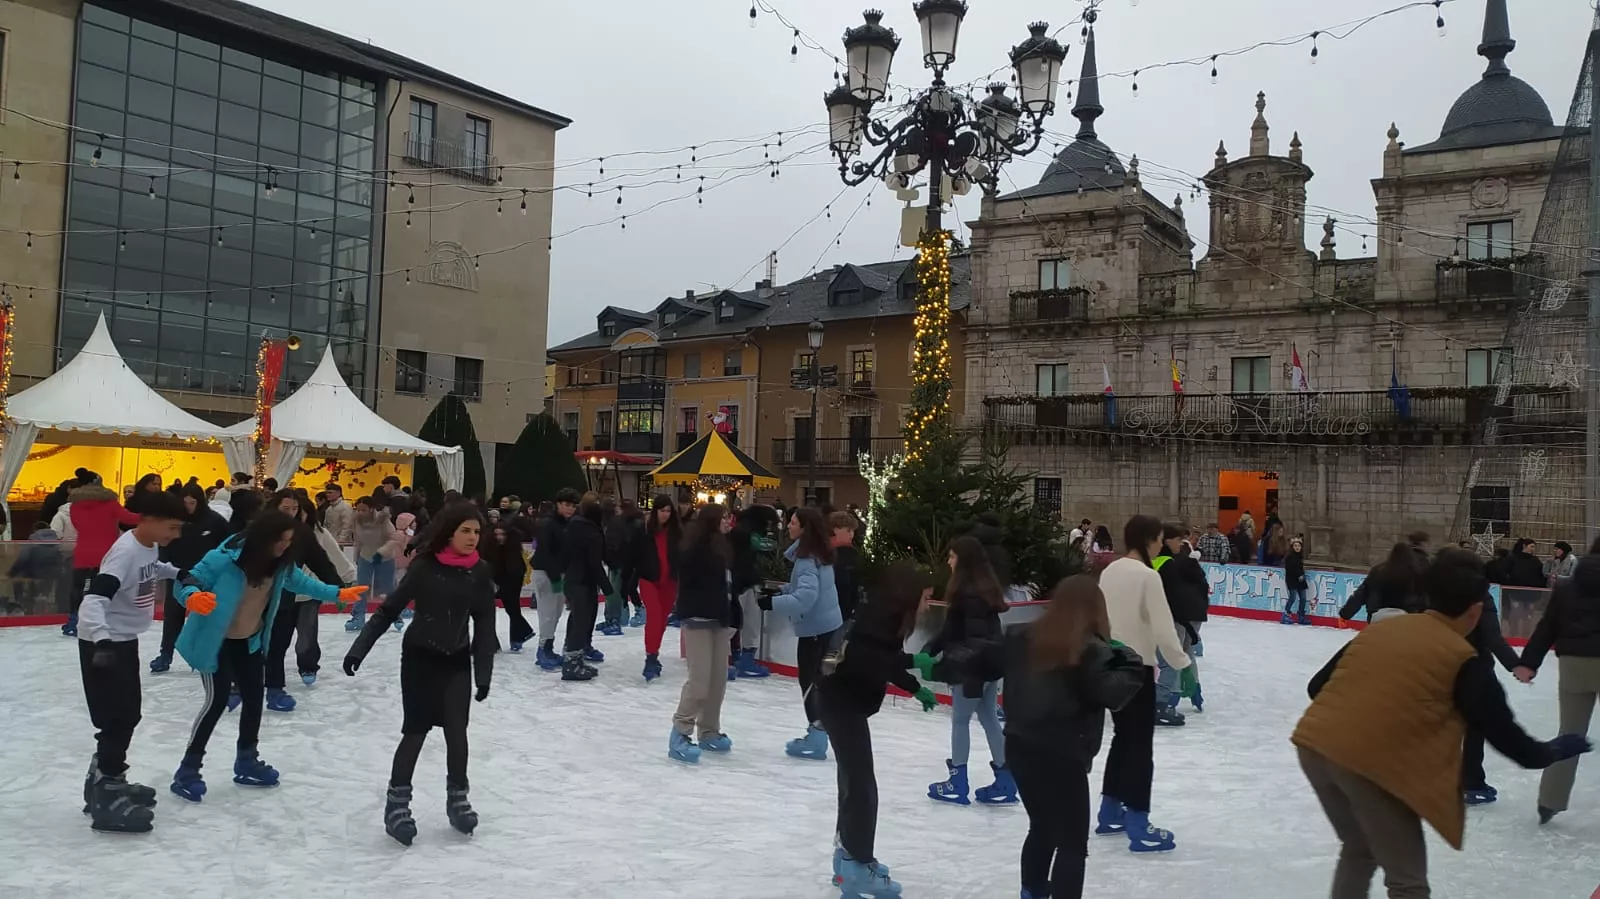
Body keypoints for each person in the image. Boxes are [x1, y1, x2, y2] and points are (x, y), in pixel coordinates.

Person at [1292, 548, 1591, 898]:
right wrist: (1555, 750)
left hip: (1314, 747)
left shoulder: (1387, 627)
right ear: (1476, 610)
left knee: (1360, 848)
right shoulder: (1465, 660)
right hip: (1367, 764)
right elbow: (1514, 745)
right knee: (1407, 882)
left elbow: (1317, 686)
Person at [168, 512, 366, 802]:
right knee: (216, 702)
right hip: (215, 643)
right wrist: (192, 597)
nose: (285, 547)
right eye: (280, 541)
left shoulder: (280, 566)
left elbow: (304, 584)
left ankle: (247, 760)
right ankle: (187, 770)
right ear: (263, 539)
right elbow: (186, 581)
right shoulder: (224, 559)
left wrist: (337, 593)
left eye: (289, 541)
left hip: (248, 642)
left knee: (253, 699)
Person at [343, 503, 497, 846]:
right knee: (415, 732)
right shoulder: (426, 567)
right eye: (465, 531)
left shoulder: (481, 572)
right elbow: (388, 611)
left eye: (476, 532)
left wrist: (483, 673)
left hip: (456, 660)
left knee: (458, 733)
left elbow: (485, 624)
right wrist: (359, 649)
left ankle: (457, 797)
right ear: (450, 533)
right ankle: (397, 804)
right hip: (419, 660)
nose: (473, 538)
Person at [999, 575, 1147, 899]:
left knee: (1042, 825)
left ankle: (1033, 891)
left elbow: (986, 662)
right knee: (1071, 843)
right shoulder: (1091, 650)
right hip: (1062, 756)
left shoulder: (1021, 636)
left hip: (1019, 747)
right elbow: (1113, 693)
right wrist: (1131, 660)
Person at [819, 561, 938, 897]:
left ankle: (846, 860)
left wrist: (914, 686)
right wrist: (915, 665)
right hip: (841, 705)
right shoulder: (878, 623)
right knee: (861, 788)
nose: (928, 605)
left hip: (842, 703)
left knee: (853, 783)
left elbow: (882, 660)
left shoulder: (881, 616)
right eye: (926, 598)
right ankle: (857, 866)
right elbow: (873, 662)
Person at [75, 491, 187, 833]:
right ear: (148, 520)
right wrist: (102, 641)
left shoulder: (148, 545)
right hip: (104, 642)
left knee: (126, 714)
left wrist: (179, 572)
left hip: (122, 640)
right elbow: (93, 599)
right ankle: (107, 793)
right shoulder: (123, 553)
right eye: (171, 527)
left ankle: (106, 779)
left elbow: (153, 569)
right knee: (117, 717)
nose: (175, 535)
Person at [1094, 515, 1190, 852]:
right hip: (1139, 669)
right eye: (1160, 538)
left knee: (1123, 739)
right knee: (1139, 748)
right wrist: (1182, 663)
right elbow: (1164, 629)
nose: (1162, 544)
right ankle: (1138, 822)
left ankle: (1110, 811)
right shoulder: (1148, 577)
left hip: (1111, 665)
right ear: (1150, 539)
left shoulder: (1111, 570)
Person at [1514, 536, 1600, 825]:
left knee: (1570, 734)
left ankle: (1549, 801)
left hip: (1573, 665)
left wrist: (1528, 663)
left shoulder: (1566, 588)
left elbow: (1546, 627)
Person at [922, 535, 1013, 805]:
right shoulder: (986, 588)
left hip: (972, 665)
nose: (948, 561)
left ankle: (958, 781)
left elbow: (955, 633)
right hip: (990, 664)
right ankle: (1006, 780)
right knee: (989, 718)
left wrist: (931, 652)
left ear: (963, 560)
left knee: (960, 720)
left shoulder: (965, 592)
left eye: (951, 556)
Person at [758, 506, 843, 760]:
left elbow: (806, 597)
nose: (789, 526)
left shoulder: (807, 559)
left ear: (804, 528)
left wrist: (772, 604)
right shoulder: (817, 554)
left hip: (816, 631)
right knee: (819, 682)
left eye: (793, 522)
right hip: (828, 626)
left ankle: (817, 737)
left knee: (810, 683)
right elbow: (803, 588)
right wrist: (781, 593)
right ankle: (820, 732)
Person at [263, 490, 350, 711]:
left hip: (286, 594)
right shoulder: (258, 529)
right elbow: (230, 555)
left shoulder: (302, 533)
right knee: (249, 641)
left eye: (295, 509)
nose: (291, 513)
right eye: (286, 508)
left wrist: (338, 588)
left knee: (278, 643)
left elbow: (321, 562)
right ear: (275, 507)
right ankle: (237, 684)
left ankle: (274, 689)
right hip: (254, 595)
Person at [668, 503, 739, 763]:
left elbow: (729, 587)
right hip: (698, 619)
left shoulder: (723, 547)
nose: (728, 522)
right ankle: (680, 732)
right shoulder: (693, 550)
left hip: (720, 621)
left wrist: (732, 616)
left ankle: (709, 731)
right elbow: (690, 586)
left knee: (717, 681)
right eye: (723, 518)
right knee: (699, 681)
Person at [150, 484, 230, 673]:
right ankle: (165, 654)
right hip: (178, 574)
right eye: (184, 502)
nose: (188, 507)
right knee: (173, 616)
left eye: (192, 503)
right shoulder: (175, 521)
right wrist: (165, 564)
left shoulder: (214, 521)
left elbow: (226, 546)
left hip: (206, 577)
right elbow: (164, 543)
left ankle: (208, 654)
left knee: (207, 617)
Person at [1153, 523, 1208, 721]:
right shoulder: (1178, 565)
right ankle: (1186, 692)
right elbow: (1198, 587)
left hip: (1173, 616)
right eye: (1177, 540)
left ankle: (1173, 695)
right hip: (1184, 615)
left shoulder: (1161, 563)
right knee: (1181, 654)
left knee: (1173, 656)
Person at [560, 499, 614, 681]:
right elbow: (594, 564)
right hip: (583, 582)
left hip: (572, 579)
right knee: (581, 622)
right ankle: (572, 664)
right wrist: (608, 588)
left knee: (575, 619)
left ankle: (572, 656)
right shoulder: (592, 533)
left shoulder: (573, 527)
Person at [636, 494, 682, 682]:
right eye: (662, 510)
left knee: (661, 621)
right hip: (648, 580)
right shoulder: (645, 530)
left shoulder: (677, 532)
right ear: (655, 511)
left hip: (669, 582)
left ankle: (654, 655)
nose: (665, 514)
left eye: (668, 511)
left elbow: (682, 556)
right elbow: (634, 556)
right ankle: (651, 657)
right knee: (654, 617)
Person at [532, 488, 579, 671]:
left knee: (556, 612)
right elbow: (545, 552)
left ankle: (548, 648)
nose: (570, 509)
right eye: (566, 505)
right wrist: (554, 577)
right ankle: (543, 649)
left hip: (558, 574)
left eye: (573, 506)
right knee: (547, 613)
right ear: (558, 504)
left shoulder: (567, 525)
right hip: (546, 573)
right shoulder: (548, 524)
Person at [730, 504, 777, 678]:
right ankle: (743, 659)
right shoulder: (747, 534)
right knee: (744, 621)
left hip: (741, 581)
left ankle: (742, 657)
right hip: (743, 582)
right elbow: (757, 551)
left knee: (742, 621)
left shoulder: (741, 531)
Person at [347, 495, 397, 633]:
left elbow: (393, 539)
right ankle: (358, 617)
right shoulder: (356, 521)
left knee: (388, 587)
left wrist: (382, 552)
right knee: (361, 588)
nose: (360, 513)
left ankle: (396, 615)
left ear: (371, 509)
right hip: (366, 556)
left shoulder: (383, 520)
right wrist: (356, 556)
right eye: (358, 510)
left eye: (364, 510)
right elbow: (357, 540)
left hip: (384, 558)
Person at [1340, 543, 1425, 623]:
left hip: (1377, 618)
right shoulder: (1416, 574)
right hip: (1406, 620)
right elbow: (1423, 600)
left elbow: (1360, 595)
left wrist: (1345, 614)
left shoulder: (1378, 571)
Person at [485, 523, 533, 652]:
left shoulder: (513, 550)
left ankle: (517, 638)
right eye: (497, 534)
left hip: (512, 582)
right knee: (510, 610)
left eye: (502, 534)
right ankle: (521, 634)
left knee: (513, 609)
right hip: (496, 582)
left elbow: (519, 569)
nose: (499, 537)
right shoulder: (490, 548)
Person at [1283, 536, 1310, 626]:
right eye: (1295, 546)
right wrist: (1299, 575)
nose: (1297, 547)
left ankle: (1301, 615)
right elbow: (1290, 569)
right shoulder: (1289, 557)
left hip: (1300, 580)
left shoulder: (1300, 556)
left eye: (1299, 546)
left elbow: (1300, 568)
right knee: (1293, 597)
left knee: (1303, 598)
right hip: (1292, 580)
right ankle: (1286, 614)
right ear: (1292, 547)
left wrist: (1301, 575)